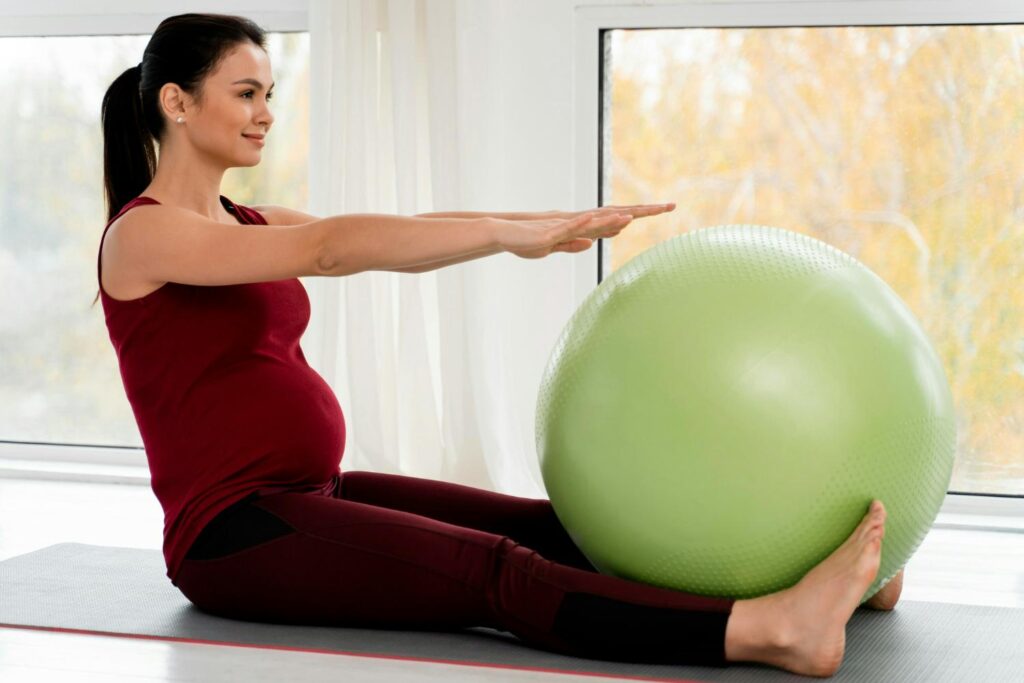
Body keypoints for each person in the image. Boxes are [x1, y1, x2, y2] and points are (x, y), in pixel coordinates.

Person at [95, 12, 904, 678]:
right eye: (246, 93)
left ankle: (799, 573)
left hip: (315, 490)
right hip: (234, 534)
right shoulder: (142, 237)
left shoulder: (246, 222)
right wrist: (504, 235)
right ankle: (767, 629)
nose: (267, 111)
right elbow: (332, 249)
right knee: (496, 573)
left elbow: (403, 231)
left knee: (563, 527)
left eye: (270, 93)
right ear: (176, 101)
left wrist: (537, 225)